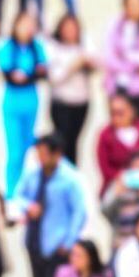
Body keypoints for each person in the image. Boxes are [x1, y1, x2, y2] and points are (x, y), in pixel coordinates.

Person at [10, 135, 90, 277]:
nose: (40, 158)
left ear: (57, 154)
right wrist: (28, 207)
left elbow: (79, 212)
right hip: (34, 241)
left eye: (44, 154)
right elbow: (18, 195)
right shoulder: (33, 174)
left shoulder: (69, 179)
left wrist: (69, 242)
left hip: (57, 246)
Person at [0, 11, 49, 197]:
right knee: (15, 150)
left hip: (31, 102)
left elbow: (42, 71)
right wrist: (29, 75)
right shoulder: (7, 47)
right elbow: (8, 74)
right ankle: (11, 192)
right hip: (12, 103)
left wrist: (27, 76)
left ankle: (27, 189)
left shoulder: (37, 47)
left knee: (28, 147)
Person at [47, 14, 97, 165]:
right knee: (63, 142)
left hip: (81, 102)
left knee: (74, 142)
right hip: (61, 102)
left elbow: (98, 62)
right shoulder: (53, 47)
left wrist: (88, 64)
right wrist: (73, 66)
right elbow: (54, 78)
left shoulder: (84, 44)